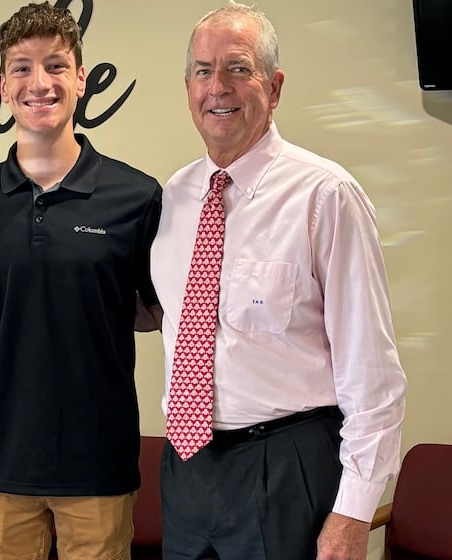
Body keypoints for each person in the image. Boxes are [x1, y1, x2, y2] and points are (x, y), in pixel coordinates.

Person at [150, 3, 408, 559]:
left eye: (238, 69)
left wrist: (353, 512)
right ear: (188, 86)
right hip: (187, 469)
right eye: (202, 70)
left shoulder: (325, 196)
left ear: (274, 86)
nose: (217, 86)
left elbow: (374, 374)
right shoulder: (173, 199)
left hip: (288, 467)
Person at [0, 3, 163, 558]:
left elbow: (153, 312)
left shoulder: (137, 197)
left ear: (81, 81)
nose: (38, 82)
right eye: (21, 67)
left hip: (99, 462)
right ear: (3, 87)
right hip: (4, 461)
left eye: (56, 66)